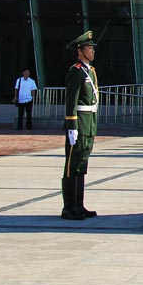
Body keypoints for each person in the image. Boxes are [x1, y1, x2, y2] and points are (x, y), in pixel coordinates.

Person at [61, 30, 100, 221]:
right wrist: (72, 126)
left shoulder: (90, 71)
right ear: (80, 50)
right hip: (78, 124)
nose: (92, 51)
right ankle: (68, 207)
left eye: (92, 48)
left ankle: (79, 205)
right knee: (72, 165)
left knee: (82, 165)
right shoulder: (75, 72)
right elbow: (71, 100)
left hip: (89, 124)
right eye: (89, 48)